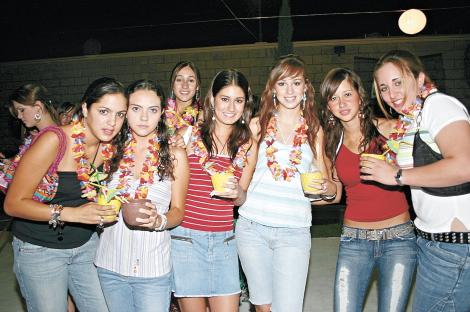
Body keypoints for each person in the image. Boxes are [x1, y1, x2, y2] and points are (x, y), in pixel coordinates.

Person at [4, 77, 128, 312]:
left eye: (120, 114)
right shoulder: (54, 140)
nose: (112, 122)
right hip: (39, 249)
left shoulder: (110, 146)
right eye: (104, 111)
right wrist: (73, 214)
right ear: (84, 108)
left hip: (85, 244)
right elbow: (13, 204)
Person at [361, 49, 470, 312]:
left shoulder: (439, 105)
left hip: (453, 244)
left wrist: (398, 175)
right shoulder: (412, 118)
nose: (392, 94)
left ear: (420, 79)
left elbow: (465, 164)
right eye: (384, 88)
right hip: (434, 241)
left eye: (398, 82)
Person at [236, 54, 338, 312]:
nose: (289, 90)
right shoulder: (257, 125)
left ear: (306, 88)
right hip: (252, 228)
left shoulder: (315, 130)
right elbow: (244, 179)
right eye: (282, 83)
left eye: (296, 83)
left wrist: (325, 189)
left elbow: (327, 186)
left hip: (294, 230)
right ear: (273, 90)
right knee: (263, 307)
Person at [318, 68, 416, 312]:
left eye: (347, 94)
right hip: (354, 240)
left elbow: (423, 168)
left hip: (399, 239)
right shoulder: (331, 143)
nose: (341, 103)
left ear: (360, 96)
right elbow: (335, 193)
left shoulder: (391, 130)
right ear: (328, 106)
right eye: (334, 98)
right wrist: (323, 189)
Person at [95, 79, 189, 312]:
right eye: (136, 109)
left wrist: (160, 221)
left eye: (152, 110)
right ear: (126, 113)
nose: (144, 118)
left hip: (152, 268)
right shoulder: (107, 150)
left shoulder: (175, 155)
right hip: (110, 265)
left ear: (162, 114)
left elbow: (178, 211)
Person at [171, 69, 257, 312]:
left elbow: (242, 198)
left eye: (238, 100)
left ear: (245, 104)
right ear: (212, 100)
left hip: (224, 241)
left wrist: (237, 194)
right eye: (225, 99)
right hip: (186, 239)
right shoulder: (187, 135)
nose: (231, 107)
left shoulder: (248, 144)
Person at [0, 83, 60, 192]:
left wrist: (13, 171)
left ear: (38, 107)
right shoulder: (43, 134)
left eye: (22, 110)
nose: (19, 116)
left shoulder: (49, 137)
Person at [165, 61, 202, 138]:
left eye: (191, 80)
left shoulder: (203, 117)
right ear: (172, 85)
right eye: (179, 80)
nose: (185, 85)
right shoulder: (160, 115)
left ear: (197, 86)